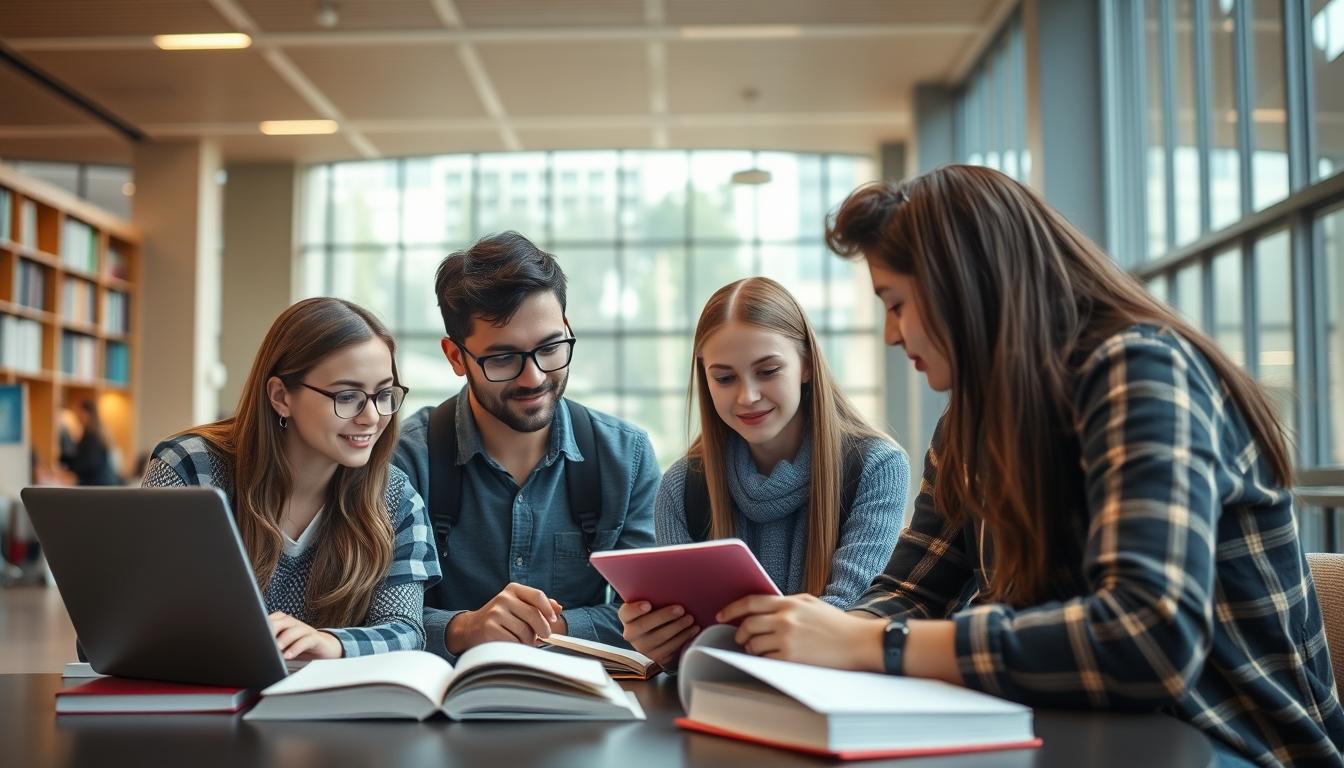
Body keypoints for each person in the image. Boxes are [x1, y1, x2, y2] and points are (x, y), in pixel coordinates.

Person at [715, 165, 1344, 767]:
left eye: (897, 302)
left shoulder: (1140, 371)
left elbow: (1147, 637)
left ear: (964, 285)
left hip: (1229, 744)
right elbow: (911, 591)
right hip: (1077, 733)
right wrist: (818, 640)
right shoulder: (968, 423)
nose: (891, 334)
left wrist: (870, 644)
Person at [619, 277, 910, 666]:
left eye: (768, 370)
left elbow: (847, 619)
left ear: (806, 365)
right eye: (725, 378)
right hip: (720, 692)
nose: (748, 396)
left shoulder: (877, 467)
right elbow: (688, 642)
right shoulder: (680, 487)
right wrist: (662, 643)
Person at [393, 231, 658, 660]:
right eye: (503, 358)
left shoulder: (627, 457)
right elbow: (373, 613)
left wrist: (549, 628)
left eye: (550, 347)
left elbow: (652, 618)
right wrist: (465, 628)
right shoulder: (405, 461)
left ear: (568, 329)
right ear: (456, 357)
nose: (533, 378)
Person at [143, 298, 439, 659]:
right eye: (348, 396)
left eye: (383, 394)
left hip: (323, 693)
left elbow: (406, 630)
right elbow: (139, 617)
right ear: (281, 396)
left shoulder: (395, 497)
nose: (372, 417)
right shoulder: (191, 469)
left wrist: (331, 643)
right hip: (202, 687)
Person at [59, 400, 121, 486]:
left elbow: (89, 462)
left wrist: (65, 461)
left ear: (86, 413)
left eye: (78, 412)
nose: (76, 416)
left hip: (98, 484)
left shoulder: (92, 435)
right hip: (104, 482)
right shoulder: (97, 432)